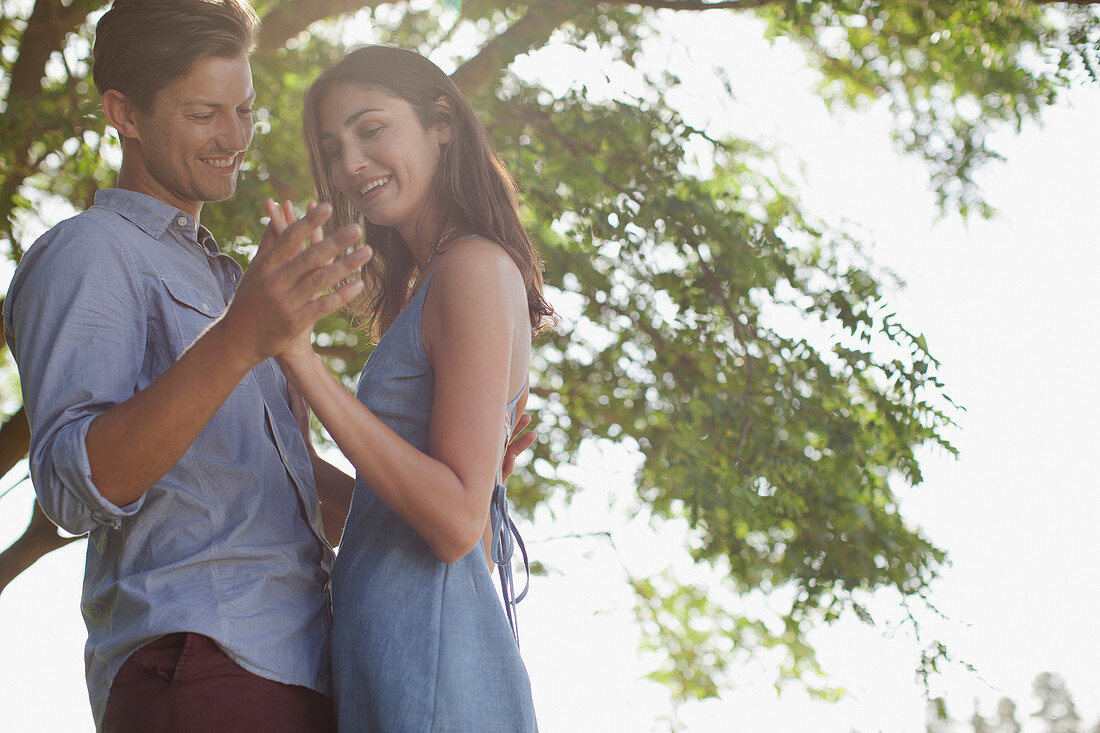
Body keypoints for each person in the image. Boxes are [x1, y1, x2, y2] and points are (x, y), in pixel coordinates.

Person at [2, 1, 373, 730]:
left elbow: (284, 488)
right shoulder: (90, 250)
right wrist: (240, 338)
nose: (233, 138)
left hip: (309, 670)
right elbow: (76, 488)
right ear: (124, 112)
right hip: (199, 671)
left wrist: (449, 499)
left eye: (244, 110)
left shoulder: (233, 286)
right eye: (205, 113)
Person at [265, 45, 555, 731]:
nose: (351, 164)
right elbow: (392, 520)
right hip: (393, 658)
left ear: (441, 122)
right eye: (334, 148)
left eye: (371, 129)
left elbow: (453, 524)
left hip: (431, 664)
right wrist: (294, 457)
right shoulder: (432, 284)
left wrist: (300, 359)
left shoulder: (473, 268)